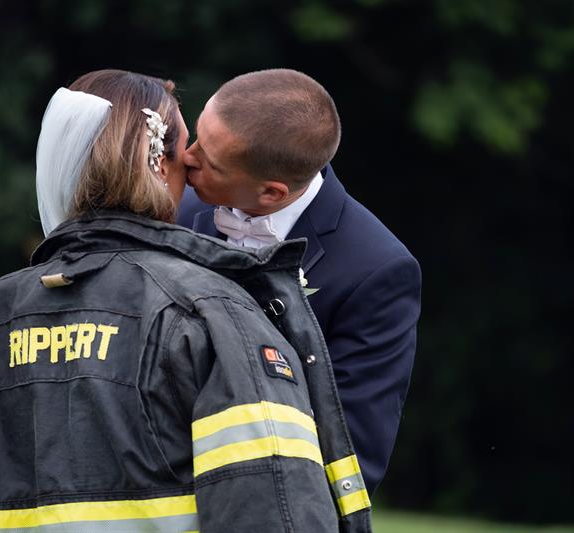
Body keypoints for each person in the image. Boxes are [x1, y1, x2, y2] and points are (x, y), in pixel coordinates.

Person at [0, 69, 372, 532]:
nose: (193, 161)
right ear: (157, 163)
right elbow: (275, 508)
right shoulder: (215, 316)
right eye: (185, 148)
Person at [177, 68, 422, 495]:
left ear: (272, 193)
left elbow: (351, 452)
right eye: (197, 135)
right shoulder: (171, 209)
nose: (186, 157)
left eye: (210, 161)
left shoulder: (376, 271)